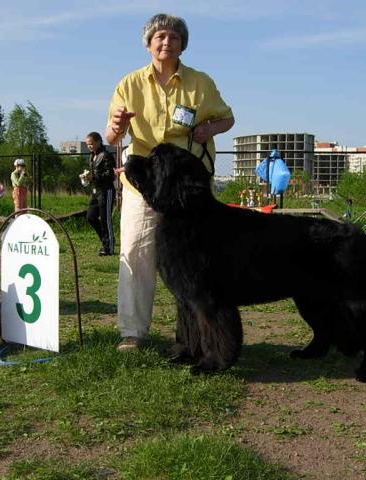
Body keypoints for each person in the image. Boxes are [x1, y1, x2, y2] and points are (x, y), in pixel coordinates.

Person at [105, 13, 235, 351]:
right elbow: (111, 134)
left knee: (194, 260)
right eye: (160, 36)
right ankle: (132, 332)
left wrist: (210, 129)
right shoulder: (128, 84)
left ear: (182, 45)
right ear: (148, 44)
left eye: (174, 37)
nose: (167, 42)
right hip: (145, 185)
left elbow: (227, 117)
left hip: (188, 190)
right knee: (135, 252)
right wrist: (118, 125)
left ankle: (194, 336)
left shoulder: (200, 82)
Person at [84, 131, 116, 256]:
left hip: (106, 190)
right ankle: (105, 241)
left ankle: (109, 247)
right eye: (87, 144)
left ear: (98, 142)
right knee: (90, 217)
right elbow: (94, 174)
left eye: (91, 143)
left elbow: (111, 174)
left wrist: (94, 177)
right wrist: (87, 178)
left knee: (105, 220)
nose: (89, 146)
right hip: (95, 191)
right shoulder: (92, 156)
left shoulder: (106, 155)